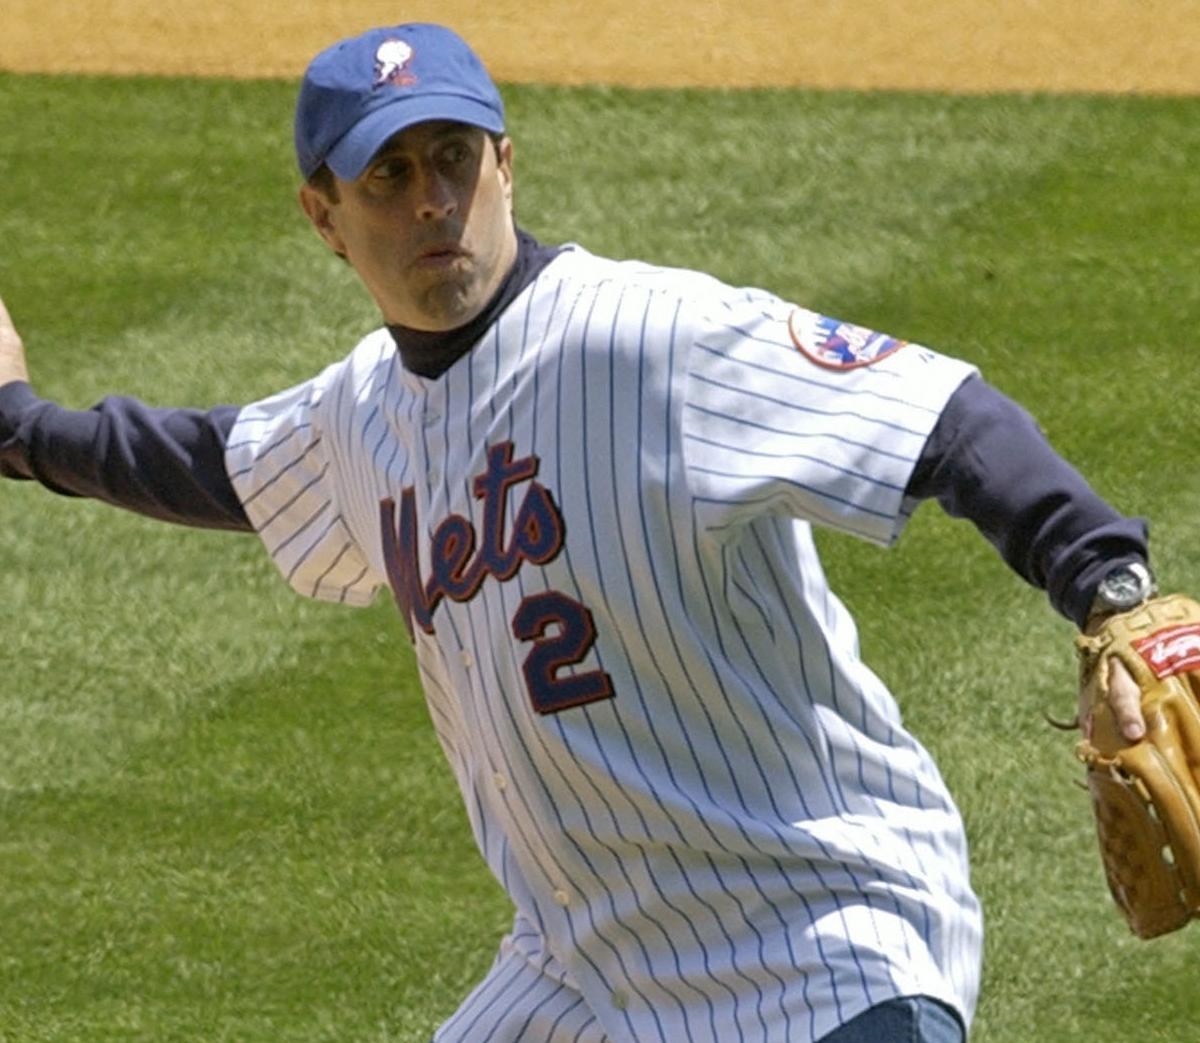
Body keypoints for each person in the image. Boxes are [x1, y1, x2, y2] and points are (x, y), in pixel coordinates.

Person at [0, 22, 1156, 1043]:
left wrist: (1110, 586)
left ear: (506, 163)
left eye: (454, 159)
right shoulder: (360, 413)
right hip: (581, 965)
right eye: (388, 175)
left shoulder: (651, 339)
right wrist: (19, 426)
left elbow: (945, 419)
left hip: (816, 944)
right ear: (324, 217)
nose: (431, 202)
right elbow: (212, 460)